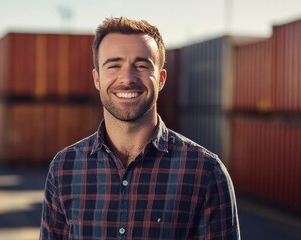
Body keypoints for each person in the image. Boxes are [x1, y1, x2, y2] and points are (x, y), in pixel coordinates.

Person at [39, 16, 240, 239]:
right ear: (97, 79)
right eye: (114, 65)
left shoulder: (206, 172)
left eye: (141, 65)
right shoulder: (64, 168)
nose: (127, 78)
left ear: (161, 79)